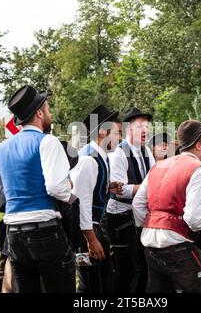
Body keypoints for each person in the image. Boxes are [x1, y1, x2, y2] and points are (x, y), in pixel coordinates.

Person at [0, 85, 75, 293]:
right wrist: (70, 192)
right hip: (45, 229)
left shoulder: (0, 149)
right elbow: (57, 187)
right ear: (39, 113)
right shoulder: (47, 141)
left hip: (14, 234)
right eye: (47, 109)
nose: (49, 114)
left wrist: (13, 199)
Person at [132, 120, 201, 293]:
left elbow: (138, 205)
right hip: (179, 250)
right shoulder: (199, 170)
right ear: (198, 145)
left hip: (151, 249)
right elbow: (194, 220)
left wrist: (152, 225)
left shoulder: (158, 166)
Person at [70, 105, 123, 293]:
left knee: (103, 284)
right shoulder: (88, 159)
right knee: (91, 288)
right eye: (117, 133)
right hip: (88, 233)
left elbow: (90, 191)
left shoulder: (99, 157)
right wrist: (91, 240)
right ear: (102, 132)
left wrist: (107, 188)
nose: (120, 138)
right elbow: (80, 203)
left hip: (95, 229)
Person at [106, 107, 155, 293]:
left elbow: (154, 178)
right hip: (121, 218)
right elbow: (121, 190)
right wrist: (147, 190)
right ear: (128, 130)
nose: (145, 130)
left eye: (146, 126)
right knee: (125, 269)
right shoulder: (118, 153)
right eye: (139, 126)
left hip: (139, 215)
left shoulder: (147, 152)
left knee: (142, 266)